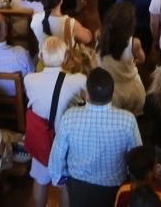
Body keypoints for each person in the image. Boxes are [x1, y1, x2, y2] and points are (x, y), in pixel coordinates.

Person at [48, 68, 141, 207]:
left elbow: (57, 155)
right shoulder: (128, 120)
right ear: (112, 93)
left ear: (87, 94)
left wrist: (59, 179)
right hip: (114, 188)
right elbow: (137, 157)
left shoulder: (69, 116)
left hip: (78, 187)